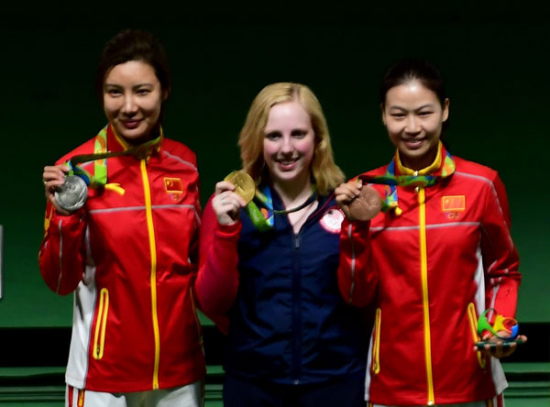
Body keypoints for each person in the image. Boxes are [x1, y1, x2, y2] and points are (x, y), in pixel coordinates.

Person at [336, 57, 527, 407]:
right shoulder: (365, 194)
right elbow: (356, 294)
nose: (412, 127)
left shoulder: (482, 185)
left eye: (424, 113)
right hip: (391, 386)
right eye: (398, 114)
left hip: (472, 380)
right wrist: (354, 227)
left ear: (445, 110)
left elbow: (504, 270)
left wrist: (499, 324)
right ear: (382, 114)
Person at [39, 29, 205, 407]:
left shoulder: (186, 165)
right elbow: (61, 281)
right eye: (115, 92)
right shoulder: (74, 172)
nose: (128, 107)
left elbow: (197, 266)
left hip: (179, 372)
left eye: (142, 91)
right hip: (101, 375)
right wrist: (64, 216)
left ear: (164, 91)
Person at [196, 82, 368, 406]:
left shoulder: (344, 207)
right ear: (257, 141)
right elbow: (212, 302)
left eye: (298, 134)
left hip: (337, 384)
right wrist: (225, 231)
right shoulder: (229, 208)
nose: (286, 148)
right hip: (254, 387)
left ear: (318, 139)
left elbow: (365, 299)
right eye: (273, 136)